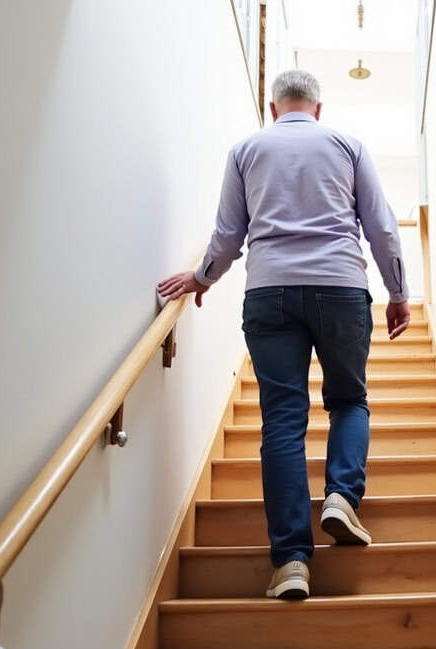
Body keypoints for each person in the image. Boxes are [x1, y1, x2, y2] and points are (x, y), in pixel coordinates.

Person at [157, 69, 410, 600]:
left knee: (282, 422)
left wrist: (201, 278)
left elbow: (228, 234)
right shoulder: (348, 145)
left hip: (269, 292)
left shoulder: (246, 149)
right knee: (348, 401)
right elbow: (382, 226)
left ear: (273, 109)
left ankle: (292, 561)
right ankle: (341, 497)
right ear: (318, 108)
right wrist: (398, 292)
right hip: (340, 287)